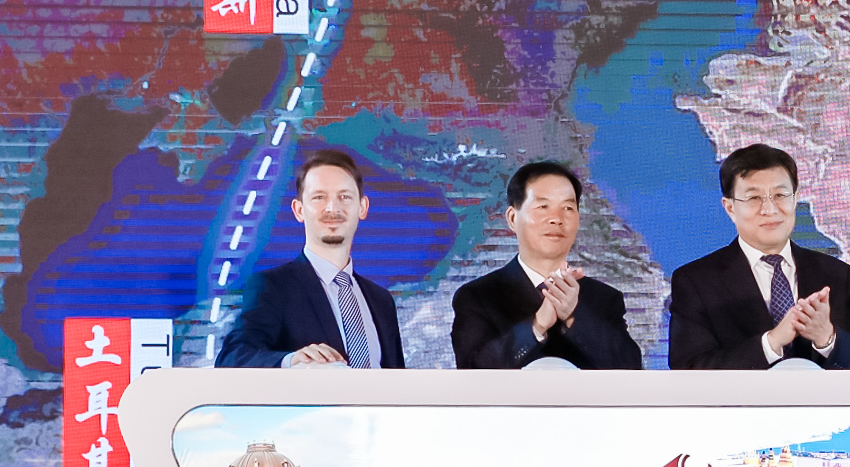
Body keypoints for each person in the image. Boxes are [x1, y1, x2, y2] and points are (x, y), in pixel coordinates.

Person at [666, 144, 850, 370]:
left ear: (795, 199)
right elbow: (689, 368)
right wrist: (771, 343)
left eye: (780, 195)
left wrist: (827, 338)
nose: (770, 209)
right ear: (730, 208)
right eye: (754, 198)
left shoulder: (835, 274)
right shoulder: (696, 282)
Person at [216, 148, 406, 369]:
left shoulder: (381, 301)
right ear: (299, 210)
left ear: (362, 208)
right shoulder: (273, 288)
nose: (332, 208)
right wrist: (293, 362)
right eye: (319, 197)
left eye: (344, 197)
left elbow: (398, 380)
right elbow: (233, 358)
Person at [451, 161, 645, 370]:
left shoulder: (605, 298)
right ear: (513, 218)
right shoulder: (477, 296)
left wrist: (574, 316)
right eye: (543, 207)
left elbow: (631, 370)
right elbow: (472, 371)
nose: (556, 219)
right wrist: (537, 325)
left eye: (568, 208)